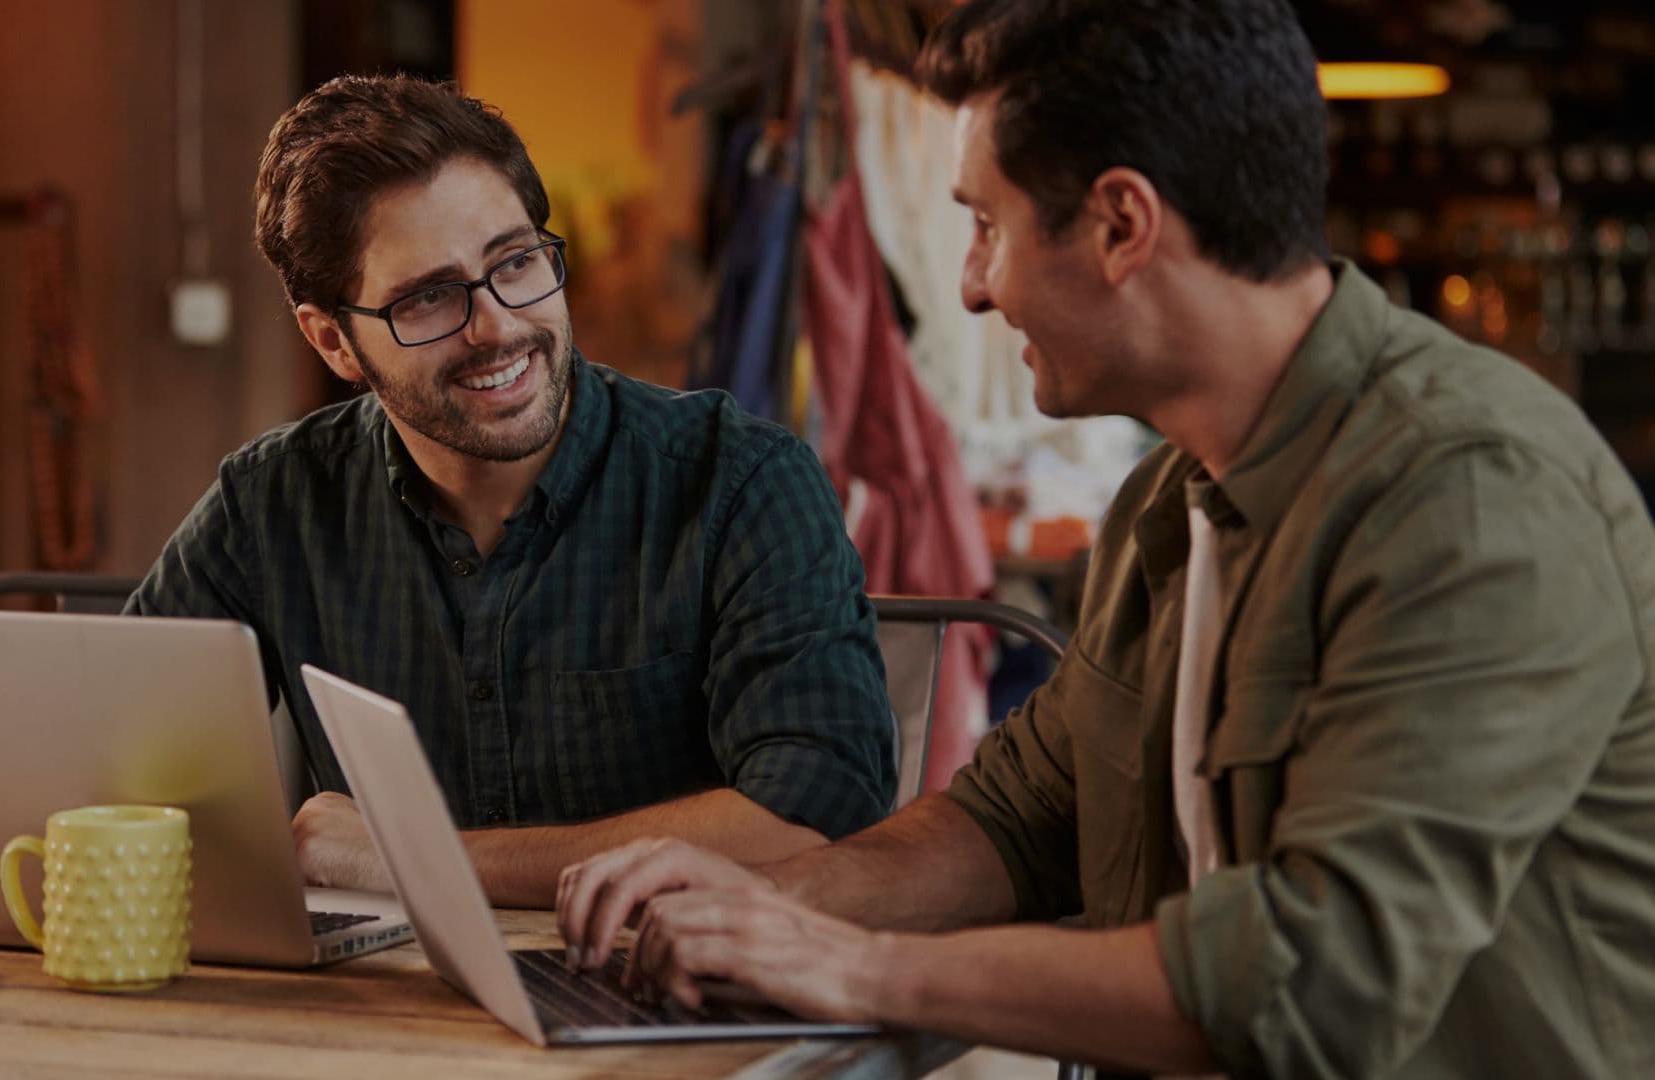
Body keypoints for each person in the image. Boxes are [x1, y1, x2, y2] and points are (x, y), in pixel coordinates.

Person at [556, 1, 1655, 1075]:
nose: (971, 287)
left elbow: (1313, 985)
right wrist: (759, 906)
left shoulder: (1470, 499)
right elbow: (1020, 817)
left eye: (986, 226)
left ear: (1123, 225)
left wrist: (858, 967)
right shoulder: (1167, 499)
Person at [127, 75, 896, 908]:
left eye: (516, 262)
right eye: (428, 298)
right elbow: (110, 768)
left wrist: (416, 859)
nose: (497, 327)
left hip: (667, 1005)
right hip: (384, 1016)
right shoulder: (271, 504)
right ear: (335, 343)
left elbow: (818, 815)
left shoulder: (739, 483)